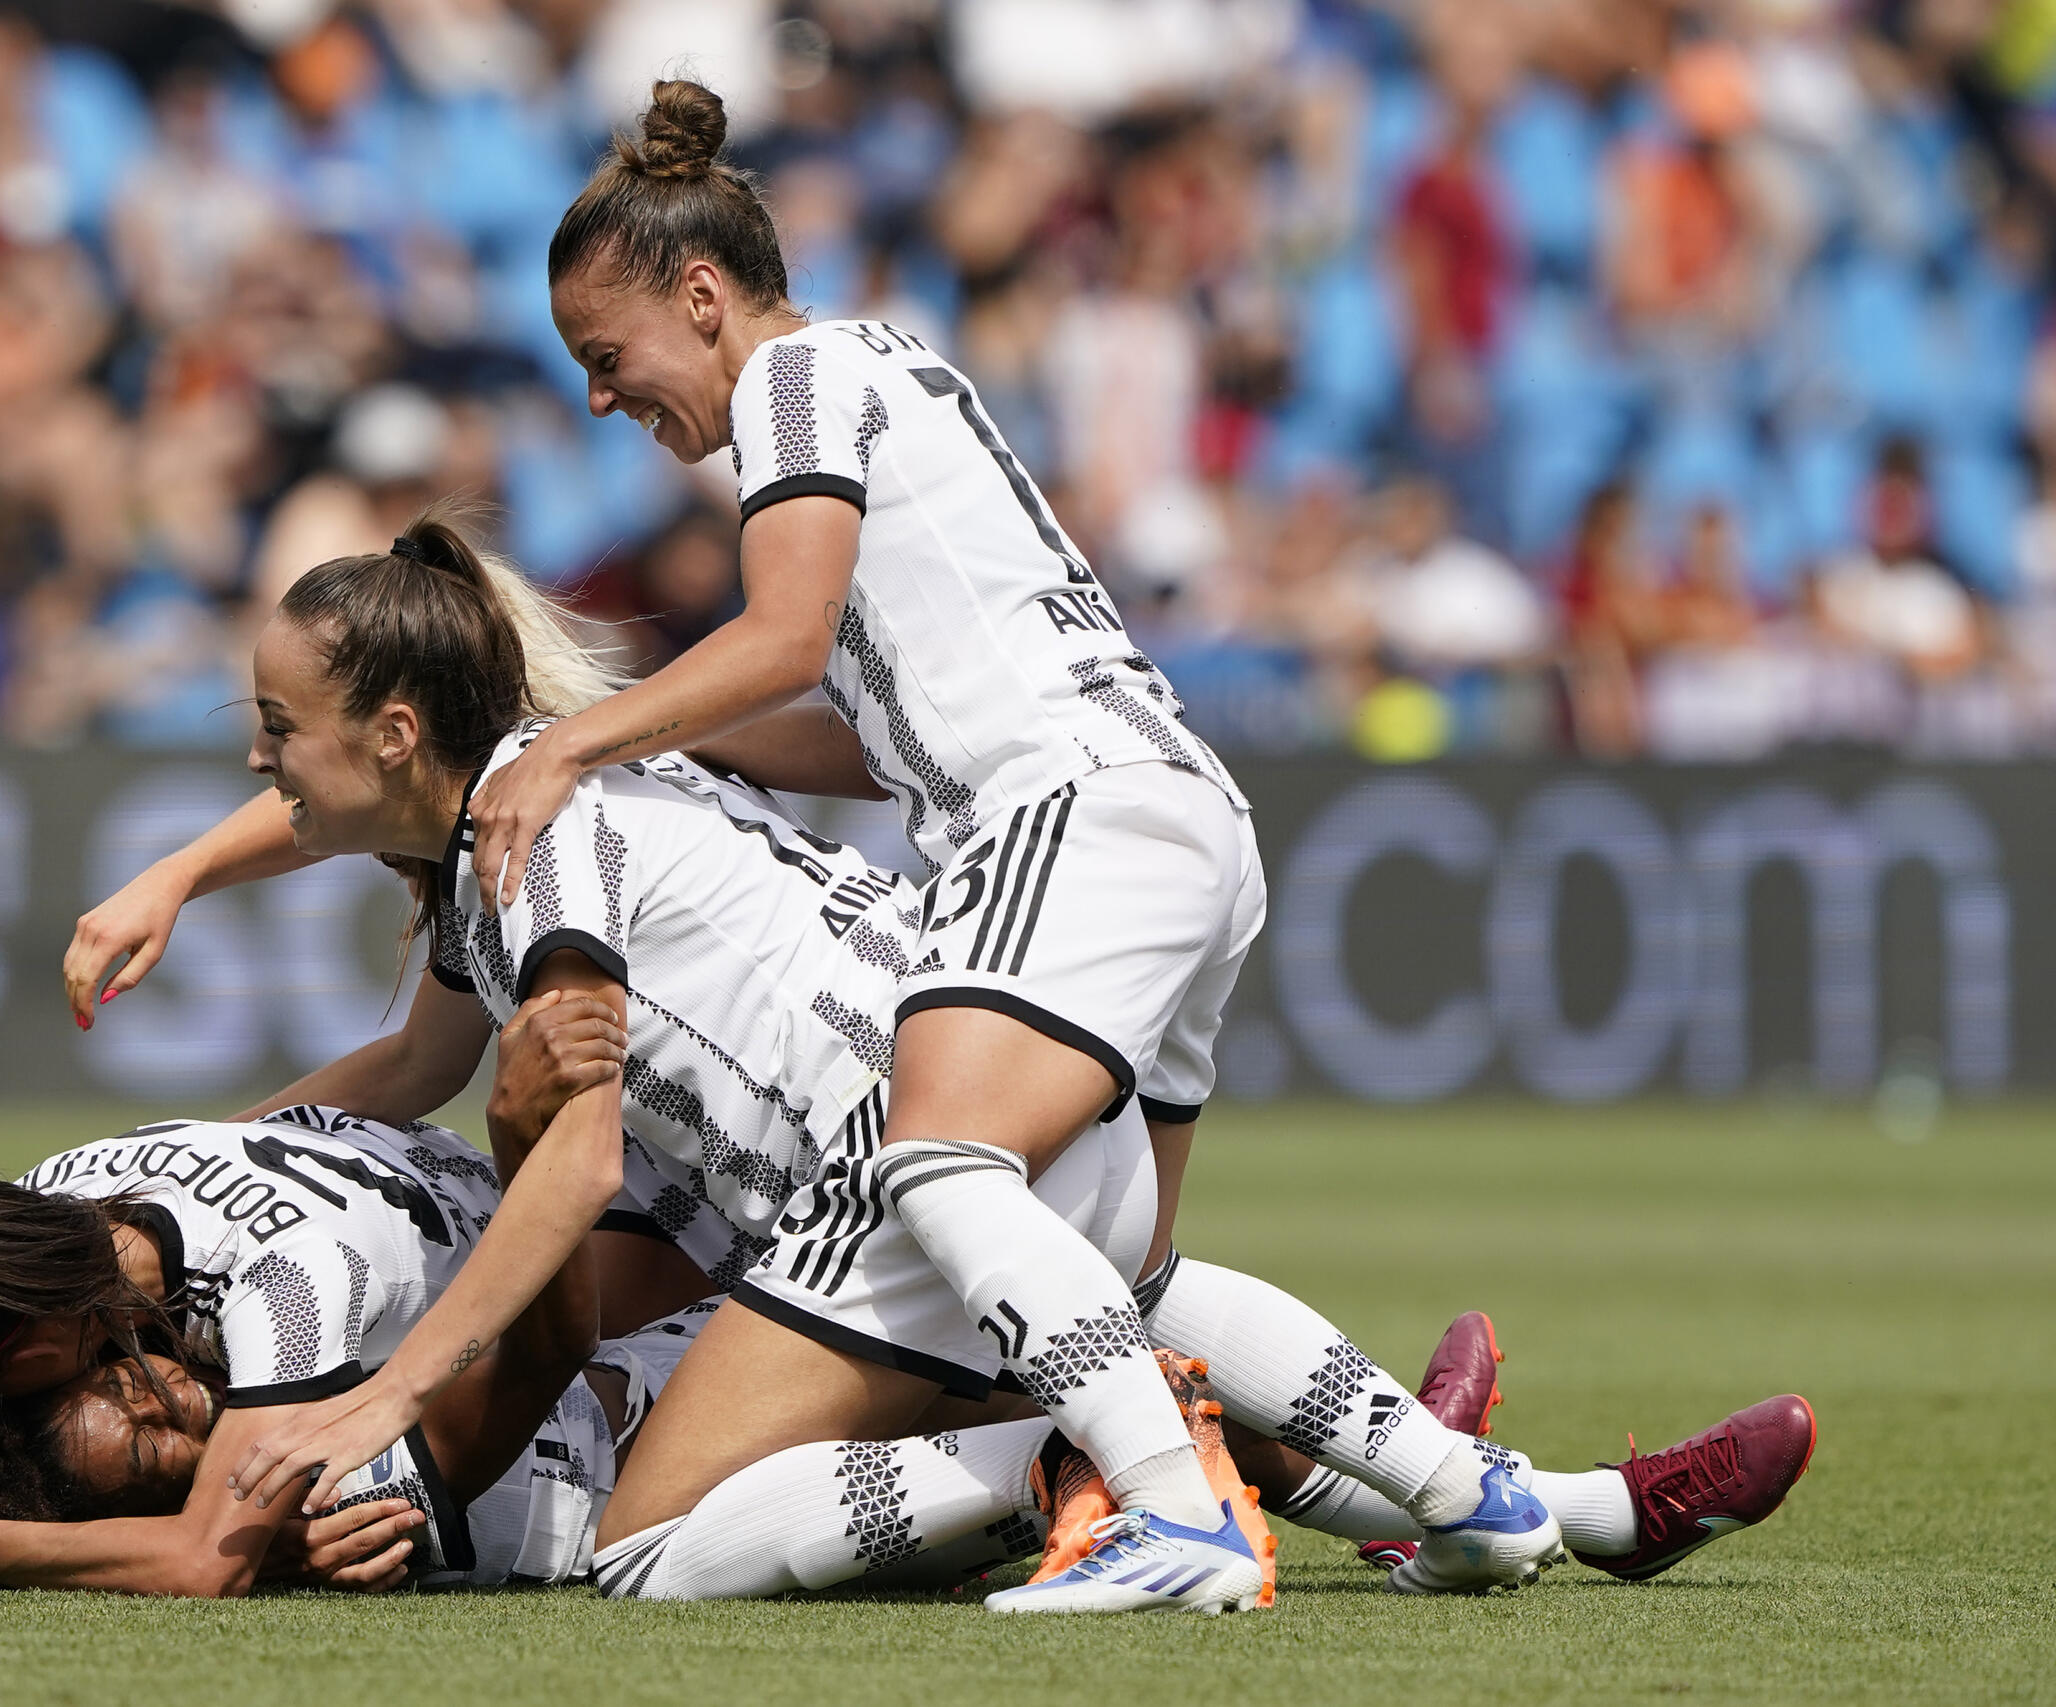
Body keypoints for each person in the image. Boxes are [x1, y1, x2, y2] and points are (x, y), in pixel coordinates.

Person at [63, 505, 1811, 1615]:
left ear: (392, 726)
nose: (255, 755)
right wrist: (206, 1087)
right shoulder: (526, 803)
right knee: (1139, 1299)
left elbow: (576, 1167)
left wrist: (382, 1397)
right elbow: (397, 1061)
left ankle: (1087, 1462)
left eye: (275, 726)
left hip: (876, 1176)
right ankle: (1555, 1505)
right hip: (994, 1090)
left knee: (650, 1547)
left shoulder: (536, 845)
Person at [438, 77, 1556, 1608]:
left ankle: (1170, 1506)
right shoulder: (891, 361)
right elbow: (862, 719)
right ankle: (1470, 1491)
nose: (603, 396)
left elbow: (782, 635)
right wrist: (676, 732)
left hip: (1069, 811)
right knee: (1117, 1267)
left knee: (937, 1165)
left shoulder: (790, 385)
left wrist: (572, 734)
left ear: (700, 296)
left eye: (605, 356)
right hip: (1180, 809)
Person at [0, 996, 615, 1595]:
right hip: (526, 1217)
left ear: (36, 1342)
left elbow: (203, 1564)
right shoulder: (58, 1193)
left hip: (591, 1250)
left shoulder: (279, 1288)